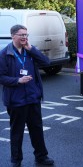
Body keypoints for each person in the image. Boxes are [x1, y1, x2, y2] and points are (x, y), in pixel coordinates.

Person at [0, 24, 54, 166]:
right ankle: (16, 160)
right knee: (17, 133)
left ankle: (41, 157)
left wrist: (32, 49)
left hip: (32, 97)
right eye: (21, 35)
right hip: (16, 100)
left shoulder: (29, 51)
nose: (24, 37)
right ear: (13, 36)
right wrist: (17, 80)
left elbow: (46, 62)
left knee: (36, 129)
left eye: (26, 35)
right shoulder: (5, 54)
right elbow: (1, 77)